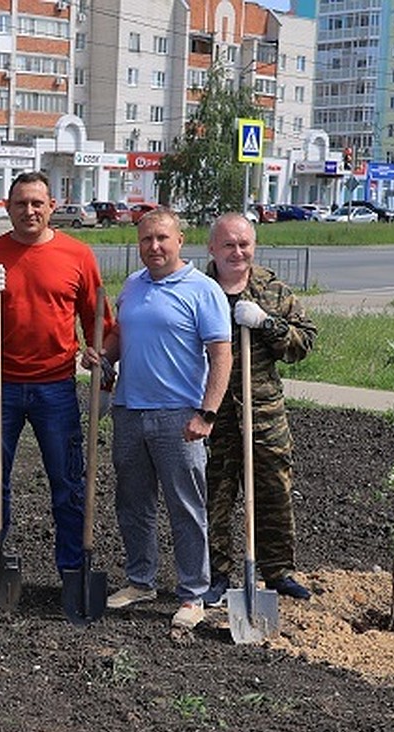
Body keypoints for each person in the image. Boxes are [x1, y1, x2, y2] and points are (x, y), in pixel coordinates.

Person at [0, 171, 114, 584]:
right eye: (20, 203)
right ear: (7, 207)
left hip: (56, 387)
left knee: (67, 479)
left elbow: (100, 321)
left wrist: (101, 355)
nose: (29, 211)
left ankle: (71, 567)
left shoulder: (78, 255)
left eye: (37, 203)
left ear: (52, 206)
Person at [102, 208, 231, 629]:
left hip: (180, 418)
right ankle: (141, 580)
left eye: (162, 238)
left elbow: (220, 356)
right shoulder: (133, 286)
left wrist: (207, 414)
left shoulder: (203, 290)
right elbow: (122, 339)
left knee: (186, 506)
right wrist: (103, 357)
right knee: (133, 504)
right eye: (145, 240)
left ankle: (193, 592)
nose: (153, 247)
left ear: (180, 240)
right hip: (129, 411)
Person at [203, 212, 317, 604]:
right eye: (228, 245)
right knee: (214, 498)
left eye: (244, 244)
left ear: (253, 246)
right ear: (212, 248)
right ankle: (216, 576)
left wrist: (268, 324)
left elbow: (304, 343)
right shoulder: (197, 289)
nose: (237, 252)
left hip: (264, 414)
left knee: (274, 493)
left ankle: (279, 572)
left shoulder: (272, 290)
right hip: (212, 416)